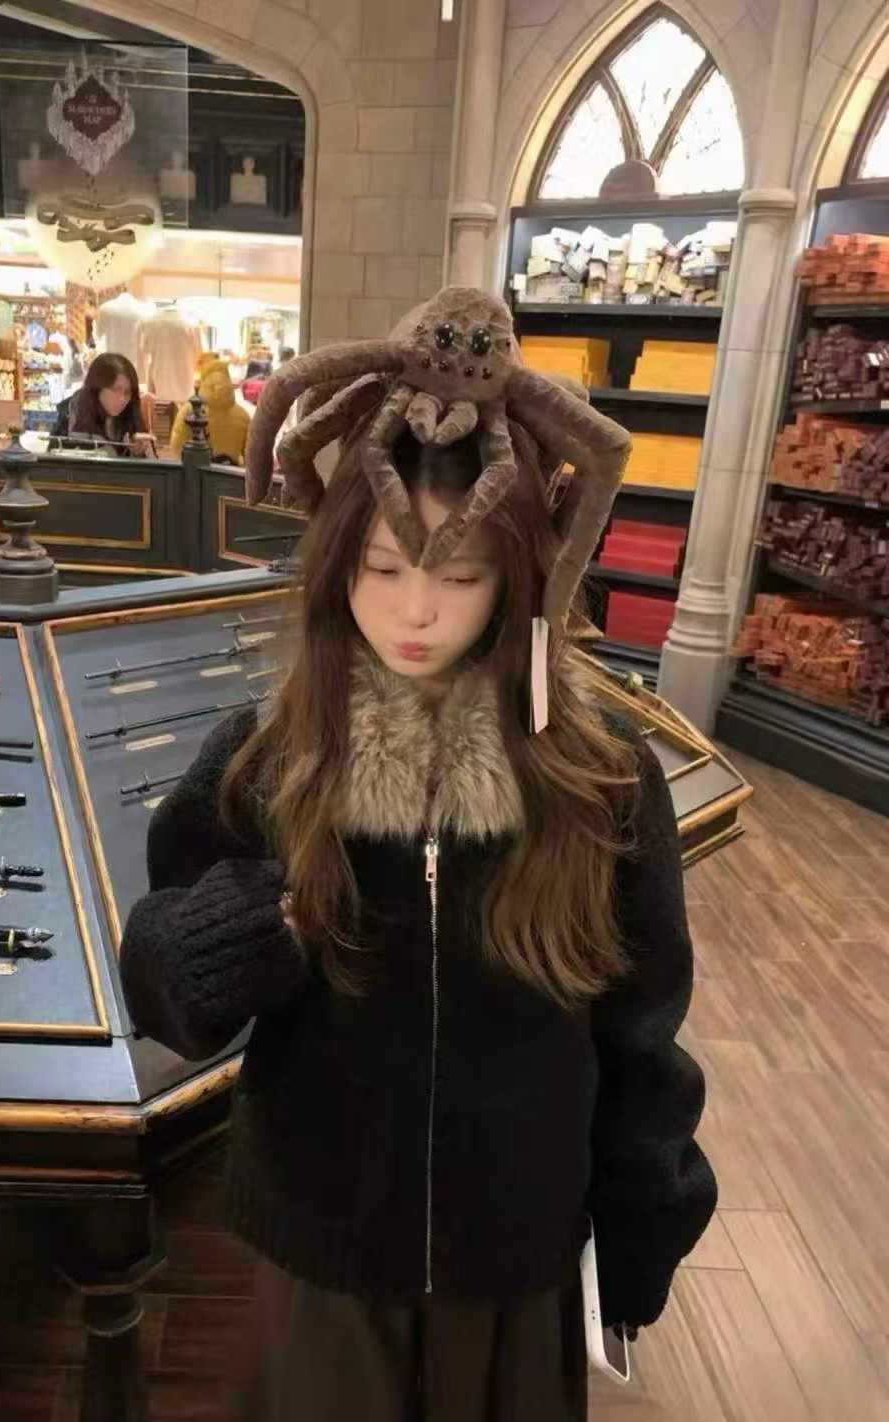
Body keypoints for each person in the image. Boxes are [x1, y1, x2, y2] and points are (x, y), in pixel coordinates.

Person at [119, 305, 717, 1420]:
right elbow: (158, 975)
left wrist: (643, 1221)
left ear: (523, 577)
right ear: (337, 558)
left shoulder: (596, 775)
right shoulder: (274, 754)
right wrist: (243, 933)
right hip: (326, 1246)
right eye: (384, 566)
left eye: (463, 576)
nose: (416, 610)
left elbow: (642, 1028)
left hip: (521, 1250)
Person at [51, 351, 155, 457]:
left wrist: (138, 453)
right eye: (115, 389)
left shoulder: (131, 414)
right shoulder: (71, 416)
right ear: (97, 388)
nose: (122, 399)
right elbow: (53, 460)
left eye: (127, 392)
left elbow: (153, 464)